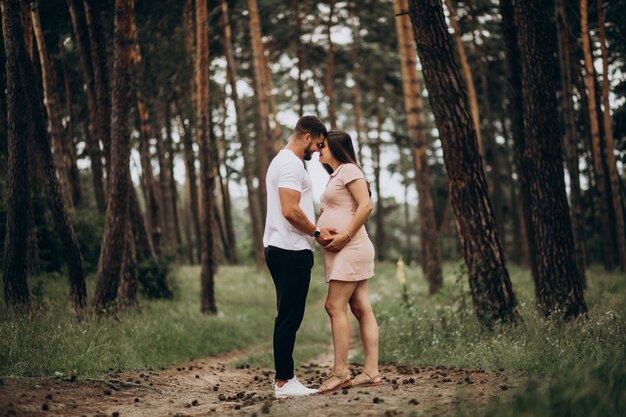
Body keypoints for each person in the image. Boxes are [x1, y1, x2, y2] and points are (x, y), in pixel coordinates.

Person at [263, 115, 335, 398]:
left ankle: (285, 378)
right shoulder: (291, 164)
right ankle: (284, 381)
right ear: (307, 137)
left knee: (288, 315)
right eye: (317, 144)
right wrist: (317, 233)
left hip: (283, 246)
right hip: (289, 249)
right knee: (289, 317)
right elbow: (290, 211)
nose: (317, 150)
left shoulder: (283, 161)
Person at [315, 130, 381, 393]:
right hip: (345, 247)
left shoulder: (349, 170)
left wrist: (344, 235)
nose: (319, 150)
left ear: (337, 148)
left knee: (334, 305)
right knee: (361, 306)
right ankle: (371, 371)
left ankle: (340, 372)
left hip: (351, 247)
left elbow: (365, 206)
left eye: (323, 146)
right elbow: (342, 206)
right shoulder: (336, 174)